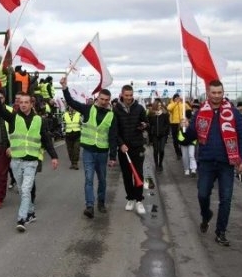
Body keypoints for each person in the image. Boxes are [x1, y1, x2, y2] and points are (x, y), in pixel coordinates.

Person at [179, 80, 242, 247]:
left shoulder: (232, 112)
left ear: (223, 93)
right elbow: (189, 138)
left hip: (227, 162)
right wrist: (185, 129)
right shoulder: (200, 113)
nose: (217, 96)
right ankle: (206, 215)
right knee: (202, 194)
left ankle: (221, 232)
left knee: (226, 199)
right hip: (207, 162)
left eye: (219, 92)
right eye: (213, 93)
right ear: (208, 93)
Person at [0, 85, 58, 232]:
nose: (24, 105)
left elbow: (46, 139)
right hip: (16, 162)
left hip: (31, 161)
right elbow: (0, 109)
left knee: (26, 189)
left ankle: (22, 218)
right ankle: (31, 212)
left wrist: (54, 156)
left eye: (27, 102)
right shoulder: (13, 117)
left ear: (31, 104)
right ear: (18, 104)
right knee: (22, 190)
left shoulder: (39, 120)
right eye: (21, 102)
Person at [61, 76, 117, 219]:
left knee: (102, 180)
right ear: (97, 98)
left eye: (106, 100)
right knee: (89, 179)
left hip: (102, 153)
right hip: (88, 152)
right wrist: (64, 88)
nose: (103, 102)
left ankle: (101, 203)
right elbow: (71, 102)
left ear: (109, 101)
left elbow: (113, 137)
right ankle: (90, 206)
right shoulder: (87, 109)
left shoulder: (111, 116)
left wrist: (112, 157)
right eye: (101, 99)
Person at [114, 84, 149, 215]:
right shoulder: (116, 110)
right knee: (127, 175)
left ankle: (139, 200)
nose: (129, 98)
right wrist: (121, 144)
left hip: (137, 146)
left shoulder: (139, 108)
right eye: (126, 95)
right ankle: (130, 198)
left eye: (131, 95)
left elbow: (146, 123)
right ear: (122, 95)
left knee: (138, 174)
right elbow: (115, 131)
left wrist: (144, 125)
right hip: (123, 149)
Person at [147, 98, 169, 173]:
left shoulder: (165, 114)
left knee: (161, 150)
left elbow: (167, 124)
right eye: (158, 105)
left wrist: (165, 132)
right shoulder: (151, 114)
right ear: (155, 105)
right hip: (154, 135)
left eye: (161, 105)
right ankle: (156, 165)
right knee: (156, 150)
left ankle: (160, 163)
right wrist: (150, 137)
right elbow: (149, 125)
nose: (160, 106)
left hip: (163, 135)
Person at [180, 101, 199, 177]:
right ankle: (186, 169)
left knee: (191, 155)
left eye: (196, 108)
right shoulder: (182, 121)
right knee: (185, 156)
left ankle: (193, 169)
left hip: (192, 141)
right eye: (193, 108)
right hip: (184, 141)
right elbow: (180, 131)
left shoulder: (194, 121)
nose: (195, 109)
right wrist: (182, 126)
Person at [167, 94, 187, 160]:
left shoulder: (181, 104)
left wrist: (184, 102)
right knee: (175, 139)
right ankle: (178, 153)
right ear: (174, 98)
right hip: (174, 123)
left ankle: (181, 151)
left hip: (181, 123)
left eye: (178, 97)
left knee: (181, 137)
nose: (178, 99)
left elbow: (188, 108)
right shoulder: (171, 104)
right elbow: (169, 108)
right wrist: (176, 103)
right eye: (176, 98)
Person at [62, 105, 82, 170]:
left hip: (77, 134)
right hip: (68, 135)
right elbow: (63, 125)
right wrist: (63, 133)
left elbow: (82, 124)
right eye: (70, 106)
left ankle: (75, 163)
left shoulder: (79, 114)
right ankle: (72, 163)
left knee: (76, 149)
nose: (72, 108)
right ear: (68, 107)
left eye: (73, 106)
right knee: (70, 150)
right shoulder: (64, 115)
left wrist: (81, 131)